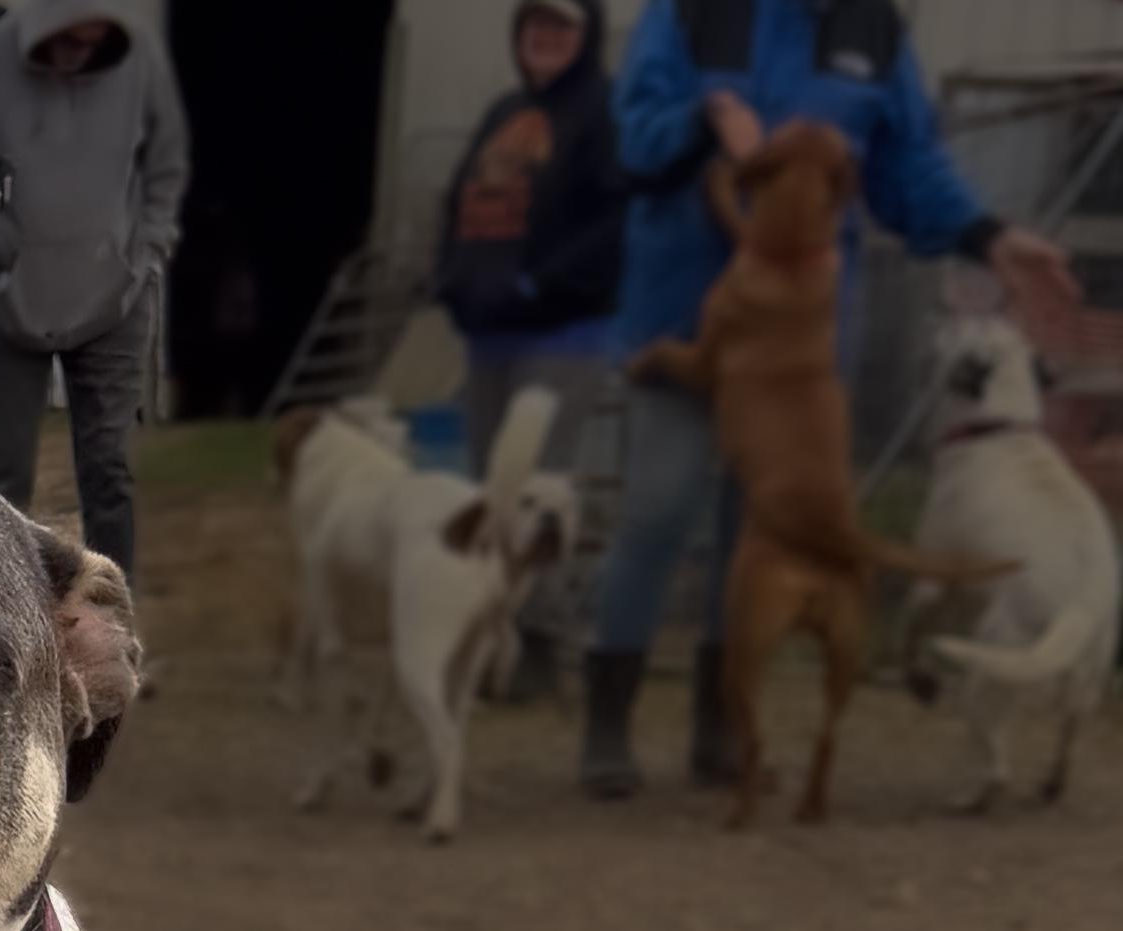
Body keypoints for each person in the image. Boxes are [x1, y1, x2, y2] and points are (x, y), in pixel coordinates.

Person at [579, 0, 1083, 797]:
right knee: (657, 509)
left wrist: (989, 235)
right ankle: (606, 727)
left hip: (801, 347)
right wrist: (706, 116)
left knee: (760, 533)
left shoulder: (873, 30)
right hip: (684, 313)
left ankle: (722, 727)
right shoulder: (687, 13)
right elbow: (633, 139)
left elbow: (909, 165)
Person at [430, 0, 625, 693]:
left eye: (561, 27)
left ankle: (540, 645)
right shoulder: (503, 111)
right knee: (498, 491)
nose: (545, 38)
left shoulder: (603, 111)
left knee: (541, 488)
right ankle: (492, 641)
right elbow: (458, 202)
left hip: (562, 333)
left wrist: (544, 282)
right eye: (534, 26)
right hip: (490, 334)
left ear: (586, 35)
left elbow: (613, 222)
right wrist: (450, 279)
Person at [0, 0, 189, 586]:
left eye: (90, 47)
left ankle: (114, 613)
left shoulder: (141, 63)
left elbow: (166, 162)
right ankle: (0, 611)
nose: (75, 58)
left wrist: (148, 250)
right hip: (5, 300)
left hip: (115, 297)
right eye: (63, 45)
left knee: (109, 467)